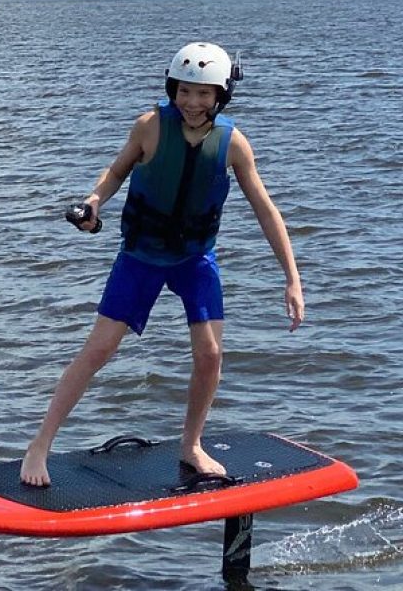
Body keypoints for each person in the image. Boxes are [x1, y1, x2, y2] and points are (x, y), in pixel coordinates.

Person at [21, 42, 305, 487]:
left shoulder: (234, 144)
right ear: (173, 89)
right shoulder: (149, 127)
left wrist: (292, 279)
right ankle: (39, 447)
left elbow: (266, 210)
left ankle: (191, 445)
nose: (193, 103)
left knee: (210, 356)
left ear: (221, 95)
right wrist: (95, 200)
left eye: (205, 94)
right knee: (99, 349)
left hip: (194, 260)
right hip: (142, 257)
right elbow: (115, 173)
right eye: (185, 92)